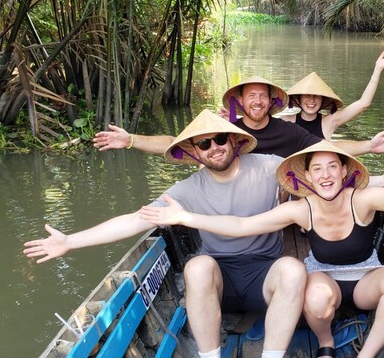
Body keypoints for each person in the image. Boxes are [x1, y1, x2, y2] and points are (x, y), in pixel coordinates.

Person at [137, 140, 384, 358]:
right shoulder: (300, 209)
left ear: (344, 171)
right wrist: (188, 219)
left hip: (366, 278)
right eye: (316, 169)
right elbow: (241, 226)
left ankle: (366, 354)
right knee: (315, 295)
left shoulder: (364, 199)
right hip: (325, 281)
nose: (325, 174)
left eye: (332, 166)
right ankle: (326, 342)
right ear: (307, 177)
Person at [23, 110, 306, 358]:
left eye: (220, 139)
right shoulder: (187, 189)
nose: (215, 148)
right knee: (196, 266)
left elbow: (316, 179)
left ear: (234, 140)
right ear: (195, 153)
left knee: (294, 269)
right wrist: (70, 241)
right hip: (217, 284)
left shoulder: (270, 167)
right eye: (204, 144)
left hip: (264, 274)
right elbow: (135, 221)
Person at [92, 76, 384, 158]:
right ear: (240, 102)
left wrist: (369, 145)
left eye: (262, 96)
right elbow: (177, 144)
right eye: (250, 95)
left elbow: (326, 148)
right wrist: (131, 140)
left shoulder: (290, 131)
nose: (257, 101)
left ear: (272, 102)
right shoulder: (225, 131)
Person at [282, 48, 384, 139]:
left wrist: (378, 70)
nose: (312, 100)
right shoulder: (286, 121)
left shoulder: (330, 121)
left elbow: (363, 103)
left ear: (323, 100)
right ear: (299, 99)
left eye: (316, 96)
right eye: (307, 95)